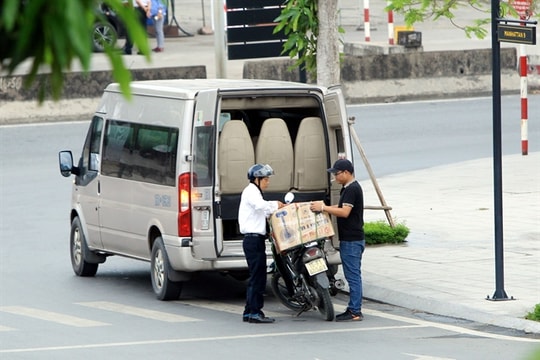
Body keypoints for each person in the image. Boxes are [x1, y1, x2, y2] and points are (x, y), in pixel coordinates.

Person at [310, 159, 365, 322]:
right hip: (351, 239)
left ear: (347, 173)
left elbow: (345, 212)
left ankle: (355, 311)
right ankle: (354, 309)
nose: (335, 177)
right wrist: (324, 206)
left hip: (352, 241)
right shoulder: (347, 189)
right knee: (353, 275)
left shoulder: (352, 189)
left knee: (353, 276)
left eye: (337, 173)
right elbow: (340, 206)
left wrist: (323, 208)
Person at [238, 164, 284, 324]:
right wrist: (276, 205)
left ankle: (249, 311)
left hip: (255, 239)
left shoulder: (255, 192)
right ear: (256, 179)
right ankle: (255, 312)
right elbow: (261, 206)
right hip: (252, 240)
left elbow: (263, 211)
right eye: (265, 179)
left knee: (256, 276)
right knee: (257, 277)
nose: (268, 182)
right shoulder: (251, 192)